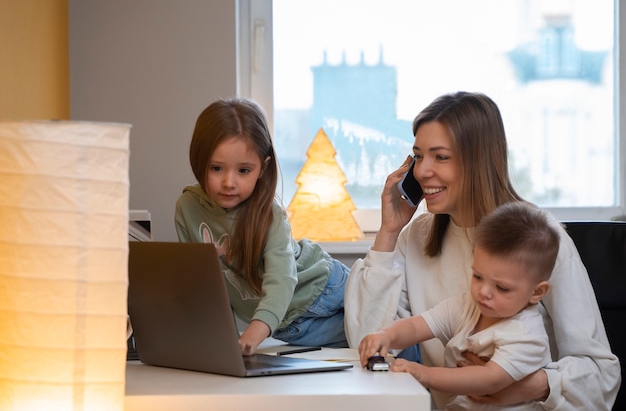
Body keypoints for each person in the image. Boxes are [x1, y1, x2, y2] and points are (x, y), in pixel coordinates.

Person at [344, 91, 621, 410]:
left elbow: (602, 375)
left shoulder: (540, 238)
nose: (422, 171)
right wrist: (388, 232)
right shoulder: (417, 236)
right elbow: (365, 343)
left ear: (478, 161)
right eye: (418, 156)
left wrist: (525, 386)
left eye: (441, 157)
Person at [175, 97, 350, 355]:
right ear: (199, 161)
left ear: (262, 168)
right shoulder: (187, 208)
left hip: (325, 286)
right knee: (374, 345)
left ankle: (425, 392)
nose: (228, 182)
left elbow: (281, 278)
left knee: (393, 332)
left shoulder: (270, 213)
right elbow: (200, 283)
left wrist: (254, 331)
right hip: (290, 326)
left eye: (243, 170)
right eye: (216, 168)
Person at [359, 201, 558, 410]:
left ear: (536, 292)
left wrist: (424, 374)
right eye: (478, 276)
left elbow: (489, 379)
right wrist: (386, 336)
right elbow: (417, 326)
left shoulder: (527, 335)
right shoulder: (467, 306)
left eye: (502, 287)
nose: (483, 292)